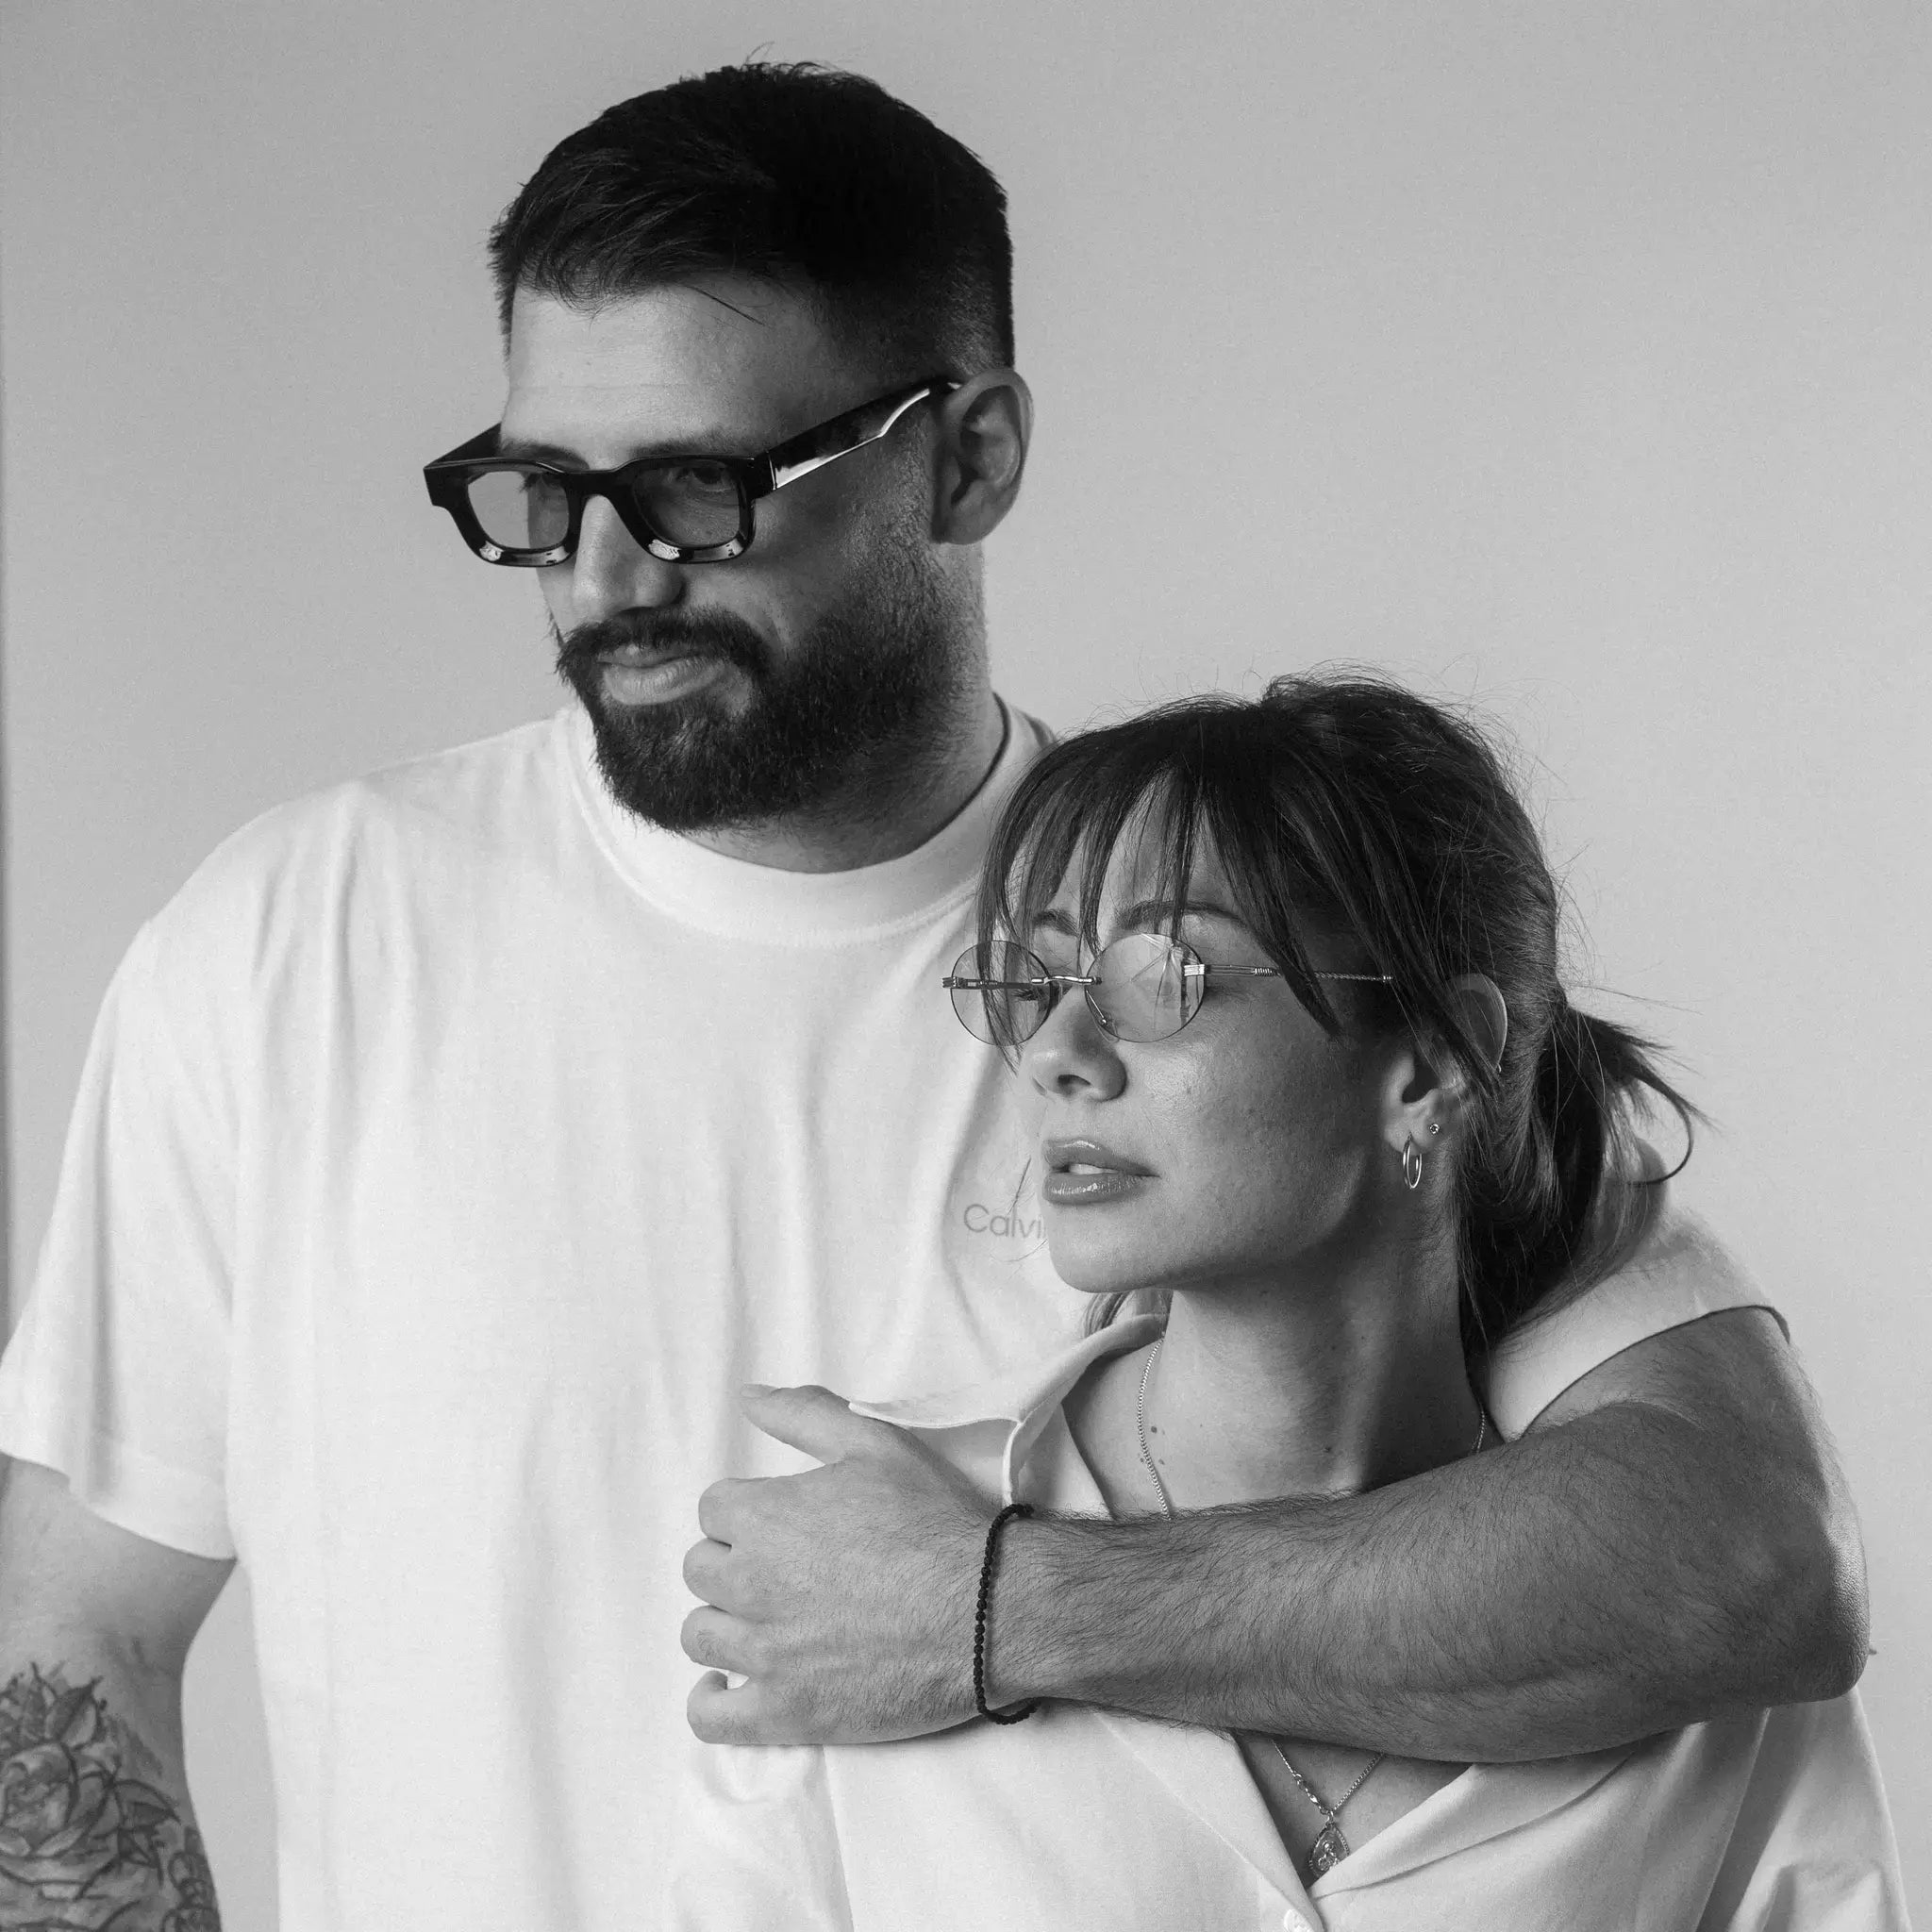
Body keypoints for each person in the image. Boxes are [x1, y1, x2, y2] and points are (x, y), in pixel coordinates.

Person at [0, 60, 1864, 1932]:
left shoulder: (1265, 978)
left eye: (698, 486)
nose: (604, 575)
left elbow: (1745, 1564)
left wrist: (989, 1611)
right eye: (543, 491)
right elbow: (63, 1648)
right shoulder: (289, 948)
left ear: (967, 454)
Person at [670, 676, 1906, 1929]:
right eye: (1031, 983)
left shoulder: (1694, 1629)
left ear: (1432, 1066)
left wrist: (1009, 1609)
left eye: (1167, 979)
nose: (1058, 1055)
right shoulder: (850, 1582)